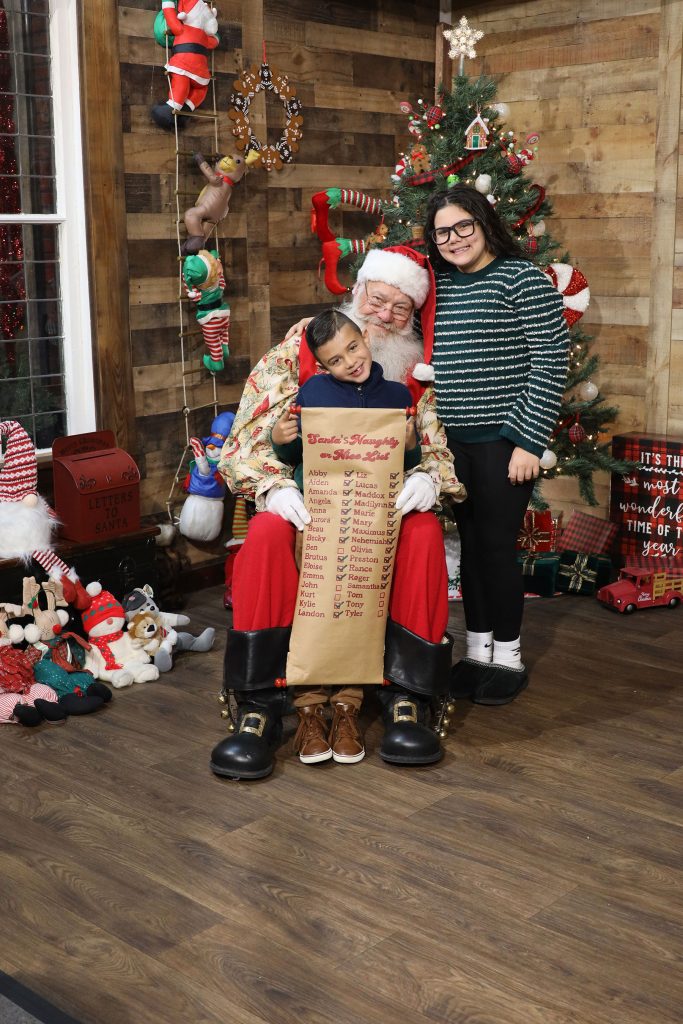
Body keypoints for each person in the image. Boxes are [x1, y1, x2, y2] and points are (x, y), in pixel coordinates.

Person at [212, 246, 462, 781]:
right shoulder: (300, 351)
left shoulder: (409, 379)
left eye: (401, 307)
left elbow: (434, 450)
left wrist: (425, 477)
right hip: (309, 503)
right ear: (359, 292)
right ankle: (257, 702)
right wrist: (275, 485)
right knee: (264, 534)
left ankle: (408, 694)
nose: (386, 314)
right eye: (379, 298)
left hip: (383, 507)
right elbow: (250, 440)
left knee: (421, 533)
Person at [421, 185, 569, 705]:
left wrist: (530, 441)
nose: (454, 238)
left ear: (484, 224)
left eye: (464, 226)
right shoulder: (440, 286)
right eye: (443, 231)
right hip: (454, 444)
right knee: (471, 550)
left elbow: (551, 360)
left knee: (497, 550)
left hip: (505, 444)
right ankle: (477, 651)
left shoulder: (520, 278)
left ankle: (508, 656)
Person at [268, 308, 422, 766]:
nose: (349, 362)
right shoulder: (312, 393)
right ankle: (310, 709)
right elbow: (297, 450)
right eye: (335, 359)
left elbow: (405, 460)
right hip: (318, 516)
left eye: (353, 347)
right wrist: (281, 440)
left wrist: (411, 448)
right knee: (315, 603)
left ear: (365, 338)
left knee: (361, 604)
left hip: (373, 518)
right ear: (322, 366)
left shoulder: (396, 395)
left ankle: (348, 707)